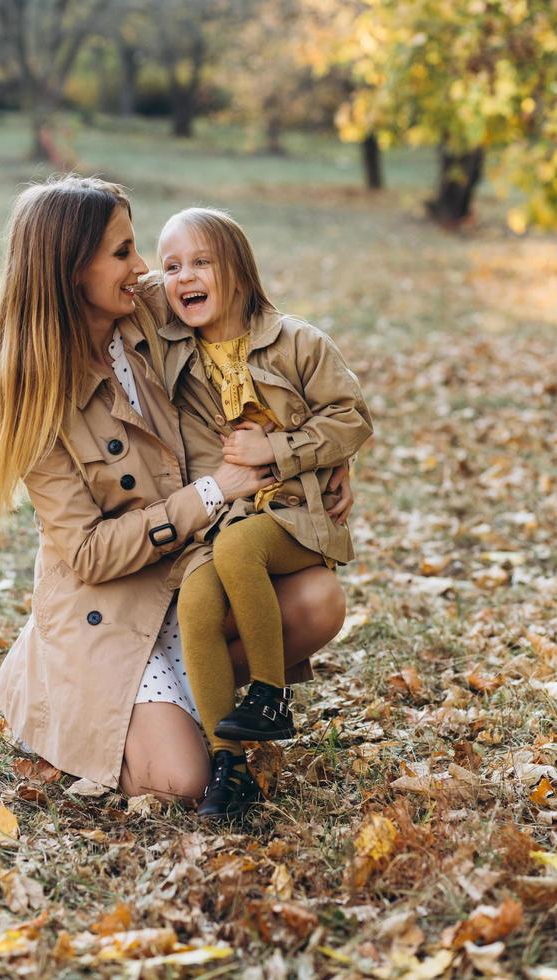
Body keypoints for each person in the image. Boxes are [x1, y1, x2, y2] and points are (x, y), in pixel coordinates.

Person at [0, 176, 353, 805]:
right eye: (123, 253)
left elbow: (264, 351)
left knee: (319, 600)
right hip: (111, 604)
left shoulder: (150, 305)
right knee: (182, 783)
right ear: (71, 271)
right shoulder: (34, 398)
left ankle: (188, 694)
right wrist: (212, 492)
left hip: (194, 567)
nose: (145, 268)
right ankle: (64, 688)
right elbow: (89, 554)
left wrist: (325, 454)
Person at [155, 207, 373, 818]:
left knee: (237, 549)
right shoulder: (178, 350)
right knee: (198, 599)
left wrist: (276, 449)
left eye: (201, 262)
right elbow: (134, 284)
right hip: (227, 516)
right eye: (172, 267)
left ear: (241, 275)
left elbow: (351, 417)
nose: (183, 276)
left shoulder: (297, 341)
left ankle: (272, 697)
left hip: (301, 515)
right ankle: (229, 764)